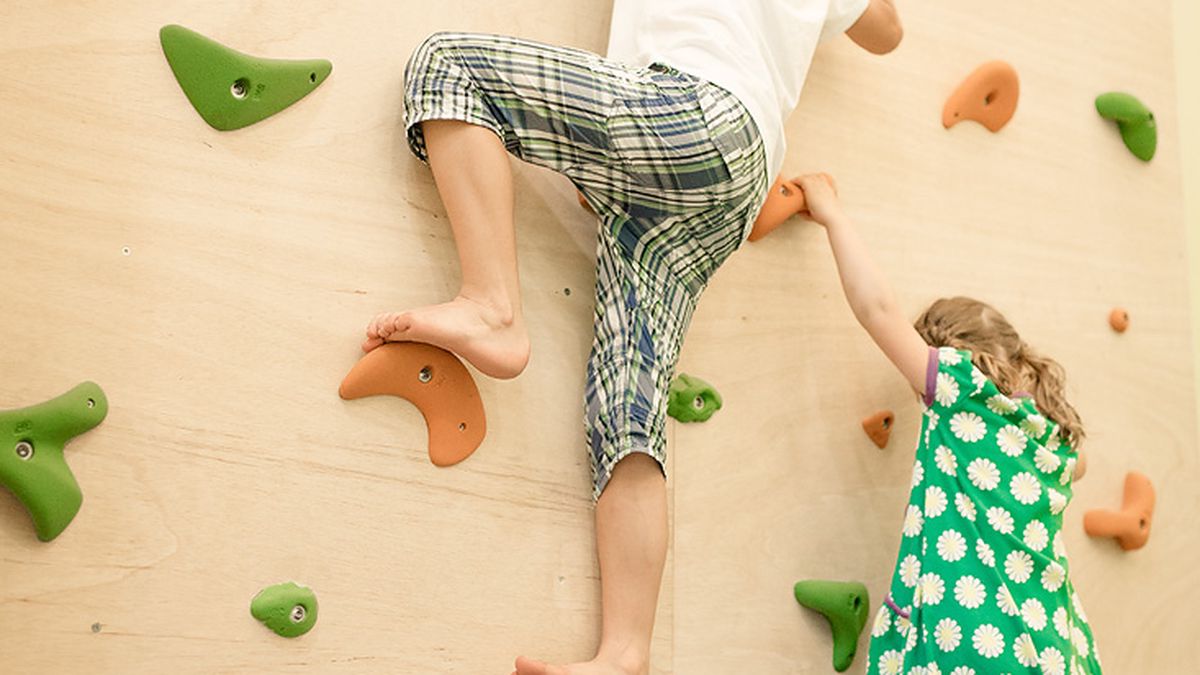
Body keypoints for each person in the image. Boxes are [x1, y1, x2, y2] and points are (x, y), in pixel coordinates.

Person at [364, 2, 903, 672]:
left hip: (694, 113)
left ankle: (492, 303)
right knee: (628, 409)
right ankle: (625, 652)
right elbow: (887, 31)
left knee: (451, 68)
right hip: (735, 178)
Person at [795, 173, 1101, 674]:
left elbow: (876, 309)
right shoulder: (1054, 438)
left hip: (979, 633)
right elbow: (1081, 464)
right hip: (1052, 645)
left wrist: (832, 215)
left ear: (951, 357)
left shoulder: (962, 395)